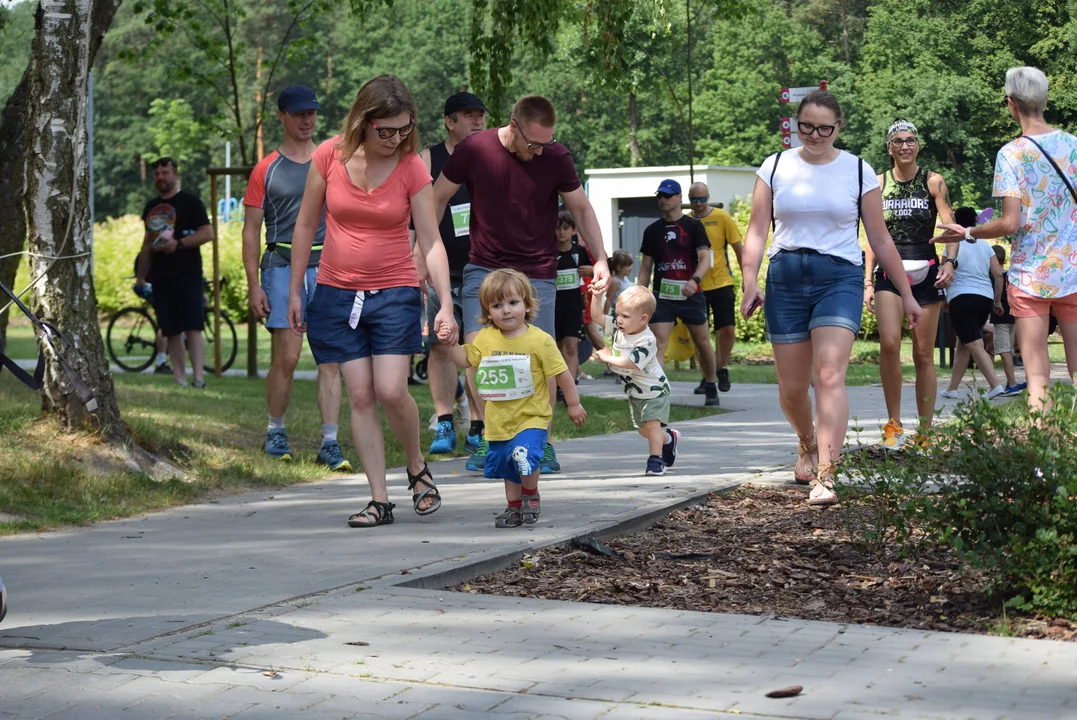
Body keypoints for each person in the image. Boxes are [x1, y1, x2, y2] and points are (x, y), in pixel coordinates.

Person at [287, 74, 457, 528]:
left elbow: (431, 240)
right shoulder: (329, 156)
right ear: (363, 121)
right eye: (387, 130)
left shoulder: (410, 167)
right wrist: (295, 292)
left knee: (389, 389)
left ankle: (417, 466)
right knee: (359, 395)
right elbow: (305, 226)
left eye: (405, 130)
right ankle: (379, 500)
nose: (396, 139)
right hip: (336, 294)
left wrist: (444, 302)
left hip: (396, 293)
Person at [740, 89, 922, 506]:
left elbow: (879, 236)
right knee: (790, 388)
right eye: (806, 127)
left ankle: (827, 473)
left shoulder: (858, 170)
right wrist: (750, 281)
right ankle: (806, 441)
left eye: (825, 128)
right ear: (795, 124)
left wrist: (907, 295)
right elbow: (755, 230)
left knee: (828, 375)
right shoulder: (776, 166)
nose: (815, 135)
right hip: (786, 274)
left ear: (839, 127)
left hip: (839, 275)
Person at [433, 94, 610, 475]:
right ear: (512, 127)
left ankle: (541, 445)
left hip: (537, 271)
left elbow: (580, 208)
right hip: (484, 267)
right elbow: (437, 198)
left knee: (540, 360)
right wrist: (421, 249)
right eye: (533, 143)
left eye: (546, 142)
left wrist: (601, 260)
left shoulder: (556, 157)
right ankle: (488, 436)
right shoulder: (474, 150)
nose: (540, 151)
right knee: (480, 354)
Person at [937, 67, 1077, 413]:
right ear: (1045, 100)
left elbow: (1010, 222)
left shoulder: (1011, 153)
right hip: (1073, 271)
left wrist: (967, 231)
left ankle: (1042, 463)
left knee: (1037, 375)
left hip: (1031, 276)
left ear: (1011, 103)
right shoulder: (1073, 146)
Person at [242, 85, 350, 470]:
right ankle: (275, 430)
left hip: (328, 267)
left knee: (331, 359)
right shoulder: (265, 169)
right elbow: (251, 230)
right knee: (287, 358)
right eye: (300, 113)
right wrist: (254, 284)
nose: (307, 120)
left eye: (313, 114)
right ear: (282, 116)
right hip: (281, 264)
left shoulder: (332, 160)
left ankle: (330, 443)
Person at [444, 269, 586, 527]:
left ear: (527, 304)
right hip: (499, 420)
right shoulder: (485, 338)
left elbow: (562, 373)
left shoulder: (539, 340)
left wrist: (574, 404)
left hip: (532, 417)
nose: (506, 310)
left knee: (524, 456)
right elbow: (465, 360)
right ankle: (513, 506)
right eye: (497, 305)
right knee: (508, 465)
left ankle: (530, 495)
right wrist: (450, 344)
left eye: (513, 303)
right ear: (488, 311)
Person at [863, 119, 958, 450]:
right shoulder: (877, 183)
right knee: (889, 344)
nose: (905, 146)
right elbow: (871, 237)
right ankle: (894, 427)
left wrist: (950, 261)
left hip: (926, 270)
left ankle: (926, 434)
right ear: (889, 147)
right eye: (898, 141)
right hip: (889, 273)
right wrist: (867, 282)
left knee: (922, 354)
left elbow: (951, 226)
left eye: (911, 140)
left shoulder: (933, 182)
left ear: (918, 145)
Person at [415, 91, 489, 456]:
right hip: (439, 271)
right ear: (450, 121)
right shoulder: (429, 158)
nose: (477, 121)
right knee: (441, 347)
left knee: (479, 349)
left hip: (484, 271)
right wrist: (413, 257)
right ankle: (444, 421)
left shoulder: (492, 154)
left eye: (481, 115)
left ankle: (479, 425)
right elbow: (412, 212)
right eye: (468, 115)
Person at [637, 179, 720, 407]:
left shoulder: (693, 226)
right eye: (660, 196)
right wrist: (640, 295)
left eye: (667, 196)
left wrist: (695, 280)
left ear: (678, 198)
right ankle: (658, 393)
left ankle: (711, 383)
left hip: (690, 293)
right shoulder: (652, 230)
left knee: (702, 342)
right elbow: (645, 268)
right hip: (663, 295)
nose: (663, 200)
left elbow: (705, 259)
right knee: (659, 343)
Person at [136, 157, 214, 389]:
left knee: (193, 327)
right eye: (157, 174)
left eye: (165, 173)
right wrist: (141, 276)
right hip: (161, 277)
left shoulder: (191, 202)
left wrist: (178, 244)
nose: (161, 178)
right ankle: (179, 378)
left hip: (189, 275)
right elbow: (147, 244)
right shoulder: (150, 207)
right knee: (170, 330)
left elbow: (208, 233)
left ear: (175, 174)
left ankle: (198, 377)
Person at [590, 285, 680, 475]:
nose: (619, 320)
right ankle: (668, 439)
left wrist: (607, 357)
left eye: (625, 316)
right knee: (643, 430)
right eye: (618, 314)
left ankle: (655, 461)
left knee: (651, 425)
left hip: (655, 390)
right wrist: (597, 297)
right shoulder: (619, 327)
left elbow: (630, 363)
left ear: (643, 319)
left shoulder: (646, 340)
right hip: (635, 392)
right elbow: (597, 317)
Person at [938, 208, 1007, 400]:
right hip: (984, 298)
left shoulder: (952, 245)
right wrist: (997, 300)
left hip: (961, 298)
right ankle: (952, 388)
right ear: (976, 221)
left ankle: (995, 385)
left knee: (975, 344)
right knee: (963, 343)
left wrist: (944, 298)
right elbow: (998, 274)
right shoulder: (985, 246)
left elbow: (943, 273)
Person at [688, 182, 744, 394]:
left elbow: (738, 247)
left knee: (727, 329)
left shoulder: (721, 217)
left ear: (708, 197)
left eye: (702, 199)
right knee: (700, 336)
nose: (699, 203)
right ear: (689, 200)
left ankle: (722, 367)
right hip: (696, 285)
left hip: (721, 281)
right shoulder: (687, 221)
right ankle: (706, 376)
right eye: (694, 199)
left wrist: (748, 276)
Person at [554, 210, 593, 388]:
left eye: (565, 228)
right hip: (553, 308)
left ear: (574, 230)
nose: (561, 232)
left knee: (571, 346)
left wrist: (591, 271)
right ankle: (558, 385)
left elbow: (597, 269)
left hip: (573, 307)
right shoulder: (548, 253)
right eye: (557, 228)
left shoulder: (580, 252)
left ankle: (569, 386)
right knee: (556, 347)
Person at [989, 244, 1024, 395]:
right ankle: (1013, 381)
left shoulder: (994, 277)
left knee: (1003, 350)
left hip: (1000, 317)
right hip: (1013, 316)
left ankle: (1012, 383)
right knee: (1008, 348)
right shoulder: (1010, 275)